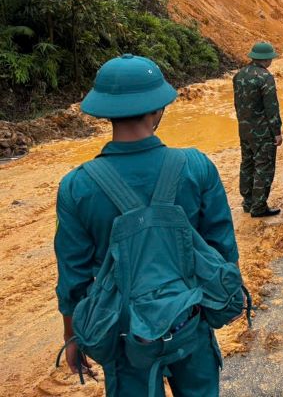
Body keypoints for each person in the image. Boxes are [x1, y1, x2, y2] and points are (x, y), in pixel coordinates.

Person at [54, 54, 238, 396]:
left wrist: (72, 337)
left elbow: (73, 279)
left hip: (124, 334)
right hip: (189, 319)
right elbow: (223, 248)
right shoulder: (196, 167)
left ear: (105, 111)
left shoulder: (77, 186)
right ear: (158, 110)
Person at [233, 42, 282, 217]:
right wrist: (277, 132)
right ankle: (259, 207)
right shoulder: (265, 77)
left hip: (244, 129)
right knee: (264, 167)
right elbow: (271, 108)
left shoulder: (239, 75)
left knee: (247, 164)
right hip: (262, 132)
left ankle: (247, 202)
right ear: (266, 59)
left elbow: (237, 104)